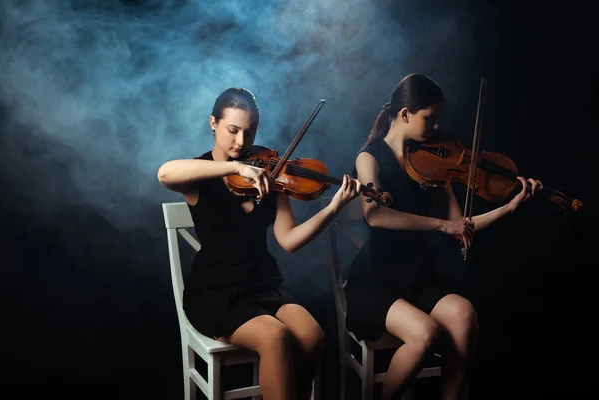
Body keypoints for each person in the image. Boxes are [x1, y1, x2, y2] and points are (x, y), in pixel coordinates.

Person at [344, 73, 543, 400]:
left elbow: (460, 225)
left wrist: (510, 206)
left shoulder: (433, 164)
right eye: (429, 118)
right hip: (376, 280)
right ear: (406, 114)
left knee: (464, 315)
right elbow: (374, 214)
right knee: (424, 333)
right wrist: (440, 226)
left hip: (418, 279)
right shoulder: (369, 158)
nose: (436, 128)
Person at [157, 87, 361, 400]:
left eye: (249, 133)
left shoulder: (270, 172)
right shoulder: (200, 174)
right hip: (215, 292)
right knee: (275, 336)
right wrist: (235, 166)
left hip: (261, 285)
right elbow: (165, 173)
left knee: (312, 335)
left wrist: (332, 209)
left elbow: (289, 241)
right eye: (233, 130)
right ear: (213, 123)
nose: (241, 142)